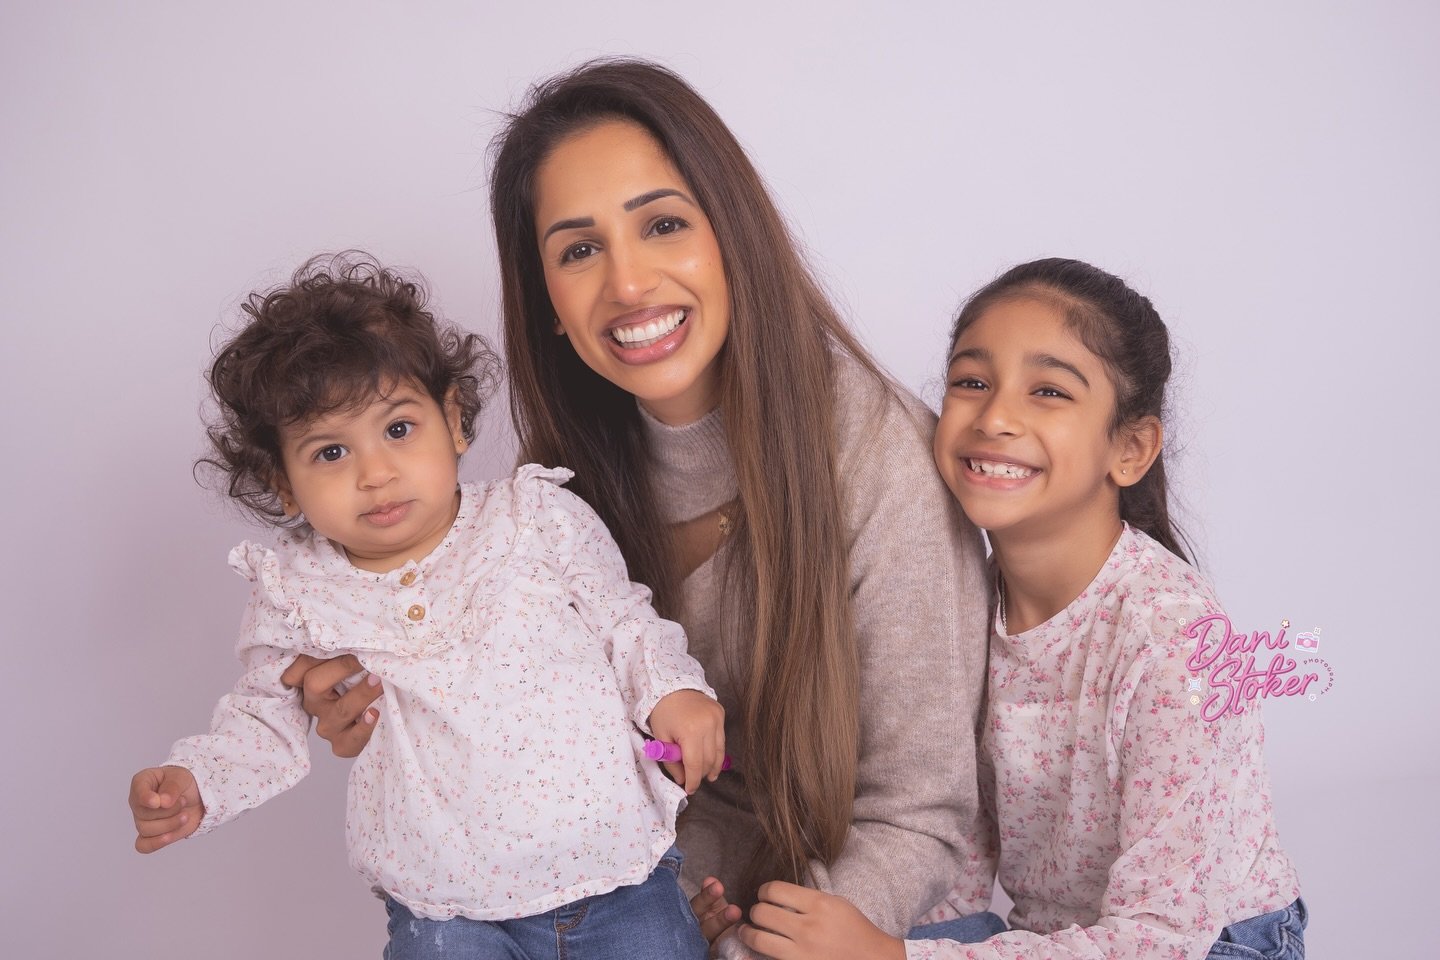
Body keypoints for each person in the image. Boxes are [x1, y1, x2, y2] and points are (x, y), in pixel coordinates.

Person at [284, 59, 1001, 954]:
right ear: (548, 300)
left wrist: (731, 949)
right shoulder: (553, 496)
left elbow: (917, 815)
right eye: (579, 250)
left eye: (662, 224)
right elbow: (550, 764)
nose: (627, 285)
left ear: (733, 236)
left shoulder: (879, 456)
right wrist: (376, 698)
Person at [127, 254, 725, 960]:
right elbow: (264, 714)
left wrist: (674, 690)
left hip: (615, 870)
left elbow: (625, 623)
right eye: (329, 452)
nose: (375, 473)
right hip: (446, 909)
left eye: (398, 430)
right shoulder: (297, 590)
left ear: (454, 421)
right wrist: (200, 781)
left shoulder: (537, 518)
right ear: (282, 482)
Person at [734, 259, 1306, 960]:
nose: (996, 417)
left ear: (1130, 450)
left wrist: (888, 956)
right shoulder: (969, 599)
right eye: (971, 382)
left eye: (1048, 391)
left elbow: (1162, 936)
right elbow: (954, 852)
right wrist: (803, 928)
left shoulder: (1177, 638)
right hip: (1057, 942)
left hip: (1207, 944)